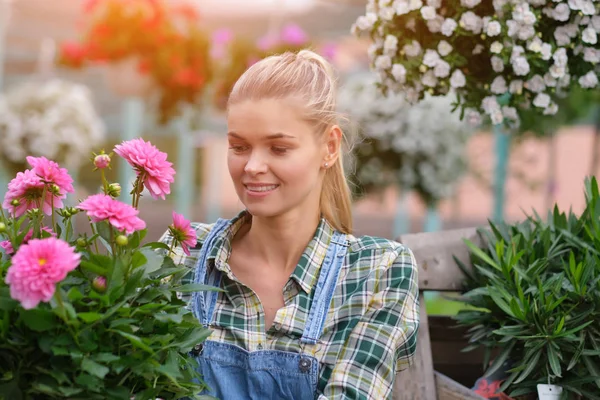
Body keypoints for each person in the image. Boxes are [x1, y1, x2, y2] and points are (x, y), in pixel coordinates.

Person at [160, 49, 419, 399]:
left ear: (329, 147)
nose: (252, 166)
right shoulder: (184, 253)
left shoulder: (378, 271)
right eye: (239, 146)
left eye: (278, 148)